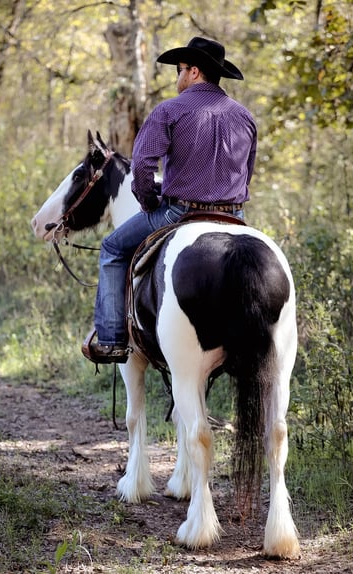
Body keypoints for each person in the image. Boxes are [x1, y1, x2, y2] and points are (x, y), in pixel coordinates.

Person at [83, 36, 258, 363]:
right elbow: (246, 172)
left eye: (178, 70)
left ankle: (110, 338)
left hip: (182, 211)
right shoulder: (244, 116)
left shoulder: (169, 110)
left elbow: (143, 166)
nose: (176, 77)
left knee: (112, 248)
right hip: (235, 215)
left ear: (193, 72)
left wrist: (149, 202)